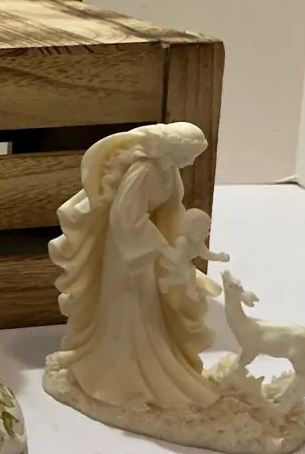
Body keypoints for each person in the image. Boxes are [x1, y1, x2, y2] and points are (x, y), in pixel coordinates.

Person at [48, 124, 220, 410]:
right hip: (127, 251)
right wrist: (161, 247)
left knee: (148, 306)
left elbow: (171, 210)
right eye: (191, 154)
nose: (192, 162)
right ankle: (121, 379)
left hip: (146, 246)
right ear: (176, 148)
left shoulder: (169, 170)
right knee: (130, 306)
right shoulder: (144, 171)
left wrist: (176, 244)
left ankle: (148, 367)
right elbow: (125, 218)